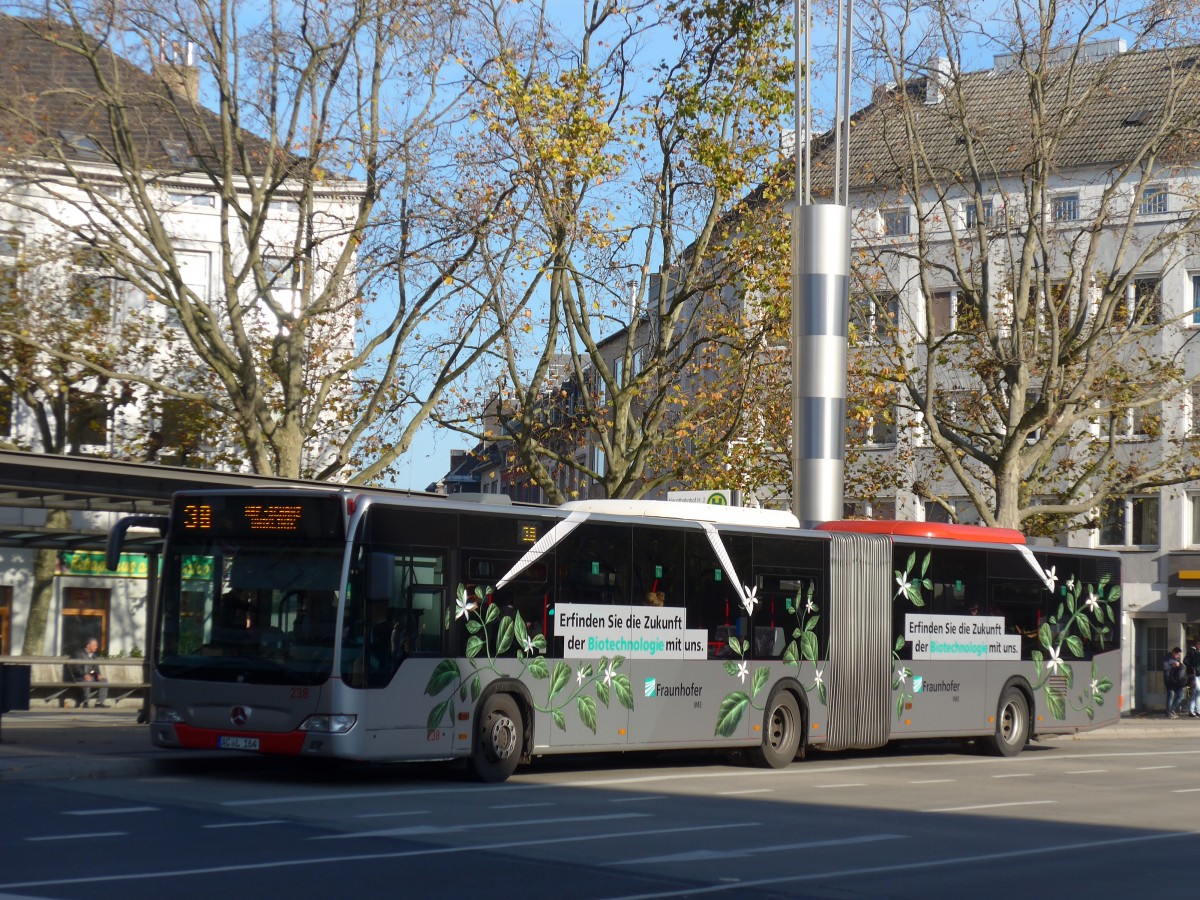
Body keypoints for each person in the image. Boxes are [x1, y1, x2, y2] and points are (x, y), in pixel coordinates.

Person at [70, 638, 109, 709]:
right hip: (80, 677)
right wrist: (84, 674)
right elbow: (76, 668)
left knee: (104, 681)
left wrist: (98, 674)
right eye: (95, 645)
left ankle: (99, 702)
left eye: (96, 645)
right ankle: (85, 702)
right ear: (88, 645)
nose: (96, 647)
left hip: (90, 677)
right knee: (87, 680)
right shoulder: (79, 654)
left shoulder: (94, 656)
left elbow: (95, 668)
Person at [1164, 647, 1187, 719]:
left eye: (1179, 655)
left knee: (1181, 696)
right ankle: (1168, 713)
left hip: (1177, 681)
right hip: (1169, 681)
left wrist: (1180, 665)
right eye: (1177, 654)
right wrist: (1173, 664)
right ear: (1173, 652)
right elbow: (1165, 667)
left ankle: (1172, 710)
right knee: (1171, 696)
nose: (1178, 656)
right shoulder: (1167, 658)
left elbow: (1181, 666)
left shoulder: (1176, 660)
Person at [1185, 639, 1200, 718]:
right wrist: (1191, 668)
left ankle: (1198, 711)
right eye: (1198, 644)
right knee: (1195, 692)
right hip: (1195, 674)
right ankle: (1191, 711)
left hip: (1199, 674)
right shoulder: (1192, 651)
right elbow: (1185, 661)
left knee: (1198, 693)